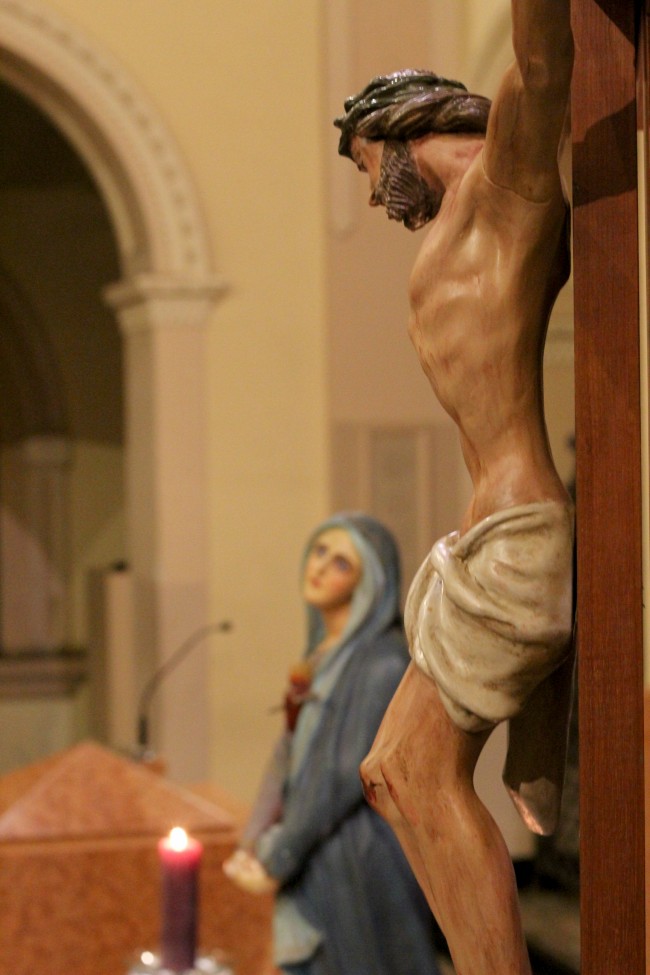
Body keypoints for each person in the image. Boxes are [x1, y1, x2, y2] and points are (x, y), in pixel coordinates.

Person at [333, 2, 574, 974]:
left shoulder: (505, 193)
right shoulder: (459, 227)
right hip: (485, 537)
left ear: (398, 132)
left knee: (407, 772)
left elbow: (541, 66)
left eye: (364, 164)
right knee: (393, 774)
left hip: (516, 533)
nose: (370, 193)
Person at [223, 513, 442, 975]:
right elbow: (288, 755)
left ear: (369, 582)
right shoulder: (322, 656)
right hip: (314, 846)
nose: (320, 567)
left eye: (341, 563)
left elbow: (340, 777)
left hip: (355, 855)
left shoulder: (382, 663)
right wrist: (253, 841)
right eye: (319, 551)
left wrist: (280, 853)